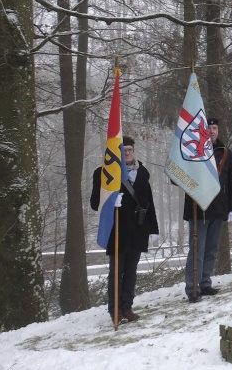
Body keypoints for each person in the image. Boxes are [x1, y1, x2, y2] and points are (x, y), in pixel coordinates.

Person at [90, 136, 160, 323]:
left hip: (138, 229)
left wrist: (153, 229)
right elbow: (95, 203)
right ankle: (114, 311)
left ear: (133, 151)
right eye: (123, 150)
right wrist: (112, 201)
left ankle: (127, 307)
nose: (127, 153)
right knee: (116, 272)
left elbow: (148, 203)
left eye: (129, 149)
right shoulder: (103, 173)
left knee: (131, 271)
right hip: (117, 230)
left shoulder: (143, 172)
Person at [182, 118, 232, 303]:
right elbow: (178, 177)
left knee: (212, 249)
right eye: (209, 128)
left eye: (215, 128)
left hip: (219, 207)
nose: (212, 131)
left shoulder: (227, 154)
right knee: (197, 250)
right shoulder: (192, 152)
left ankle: (205, 283)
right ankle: (193, 287)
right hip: (198, 208)